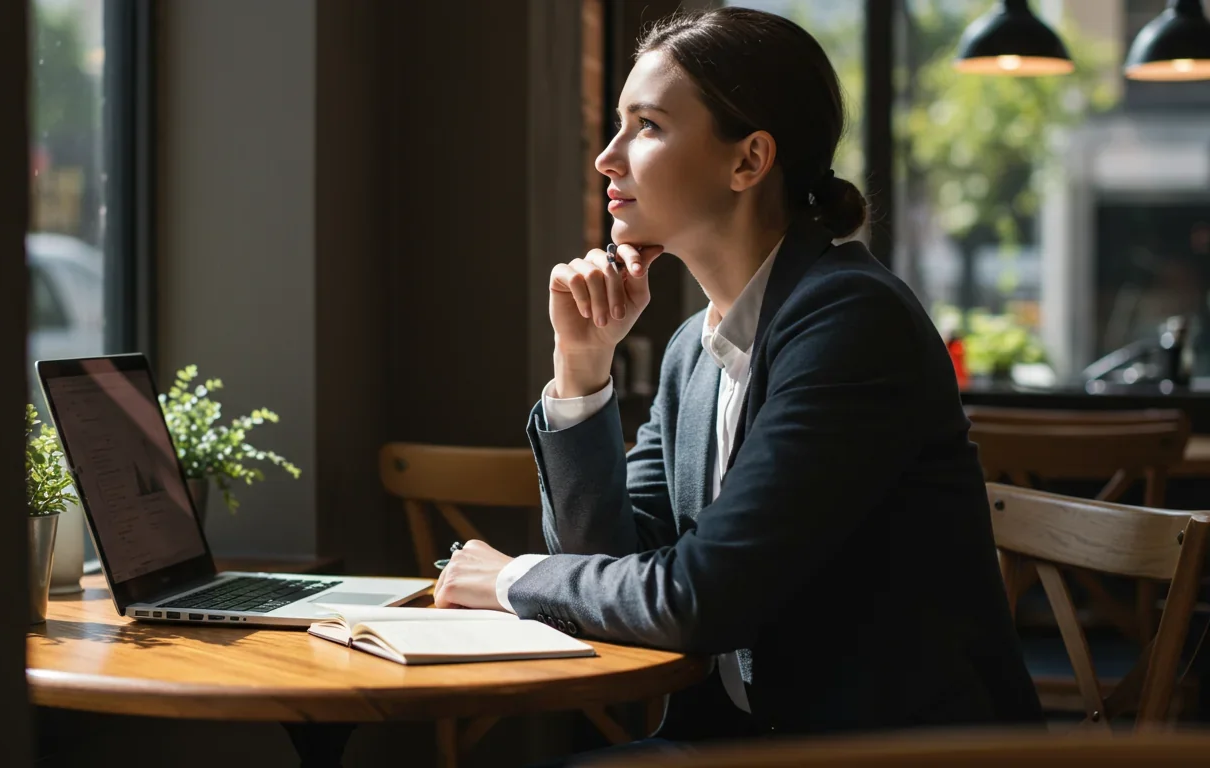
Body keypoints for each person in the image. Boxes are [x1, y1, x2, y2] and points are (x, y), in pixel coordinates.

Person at [433, 6, 1043, 760]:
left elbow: (698, 600)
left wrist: (514, 578)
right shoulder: (696, 348)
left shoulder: (851, 322)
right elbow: (615, 562)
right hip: (739, 743)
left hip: (883, 753)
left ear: (748, 160)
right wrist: (581, 366)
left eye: (647, 126)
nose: (608, 158)